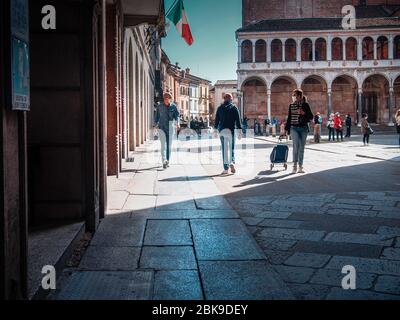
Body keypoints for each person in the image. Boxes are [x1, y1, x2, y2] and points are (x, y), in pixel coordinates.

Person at [285, 89, 314, 174]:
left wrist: (303, 113)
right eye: (293, 95)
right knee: (295, 147)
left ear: (299, 96)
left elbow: (311, 117)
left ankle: (300, 166)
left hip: (303, 128)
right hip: (294, 128)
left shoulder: (305, 105)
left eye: (295, 95)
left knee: (301, 148)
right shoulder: (291, 105)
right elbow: (289, 118)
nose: (293, 97)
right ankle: (294, 166)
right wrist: (286, 129)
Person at [214, 93, 242, 175]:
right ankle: (232, 162)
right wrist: (240, 131)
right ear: (231, 99)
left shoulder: (220, 108)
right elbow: (238, 120)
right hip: (231, 131)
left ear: (224, 99)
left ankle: (226, 169)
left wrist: (215, 130)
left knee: (225, 149)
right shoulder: (234, 108)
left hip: (222, 131)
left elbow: (216, 121)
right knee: (231, 148)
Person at [154, 92, 180, 169]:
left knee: (169, 146)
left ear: (170, 99)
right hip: (162, 127)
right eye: (165, 98)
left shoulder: (173, 107)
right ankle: (164, 160)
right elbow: (156, 117)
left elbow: (177, 116)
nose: (166, 99)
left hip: (171, 127)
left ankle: (167, 161)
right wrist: (155, 124)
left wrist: (178, 123)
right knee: (163, 145)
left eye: (167, 98)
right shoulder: (160, 106)